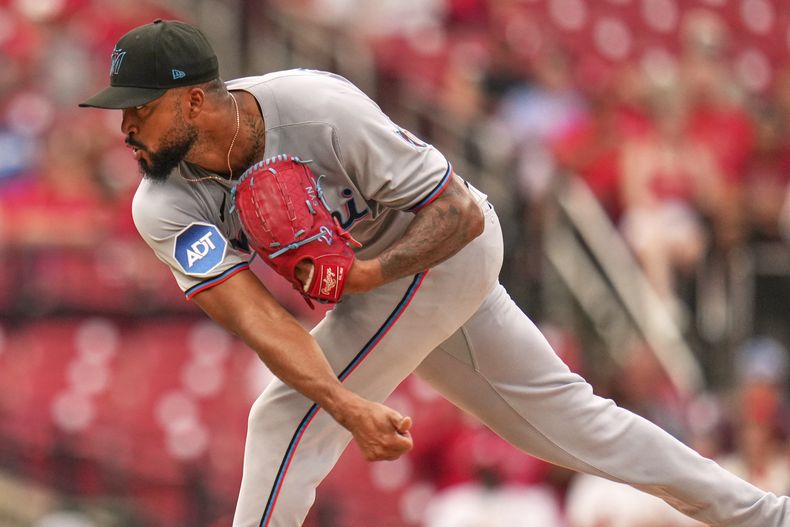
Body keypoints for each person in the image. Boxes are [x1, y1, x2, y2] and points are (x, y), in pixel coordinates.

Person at [79, 19, 790, 527]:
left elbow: (460, 212)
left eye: (140, 107)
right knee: (574, 424)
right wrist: (347, 400)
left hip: (443, 250)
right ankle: (765, 516)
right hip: (394, 286)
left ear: (196, 99)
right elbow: (259, 318)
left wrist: (366, 275)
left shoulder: (319, 109)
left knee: (282, 417)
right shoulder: (163, 202)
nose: (126, 127)